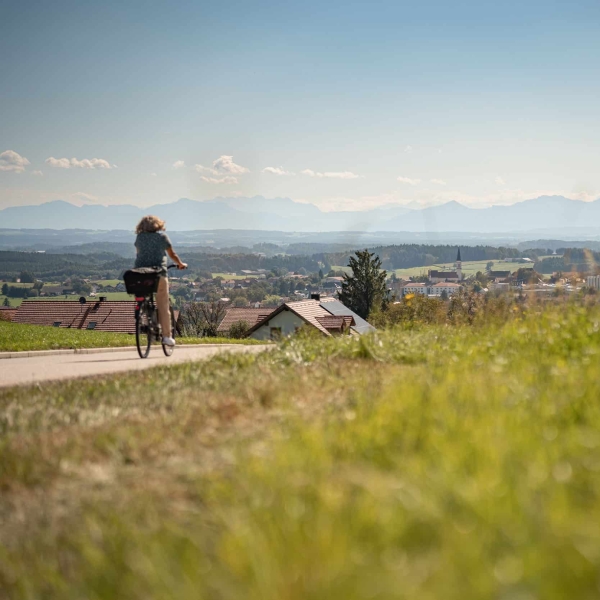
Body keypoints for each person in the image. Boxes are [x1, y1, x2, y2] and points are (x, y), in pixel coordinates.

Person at [134, 215, 187, 346]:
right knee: (163, 305)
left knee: (143, 294)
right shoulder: (162, 237)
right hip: (158, 274)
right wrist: (180, 264)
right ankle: (167, 337)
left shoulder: (139, 238)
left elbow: (139, 252)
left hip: (140, 274)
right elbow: (172, 254)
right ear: (158, 225)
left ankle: (142, 310)